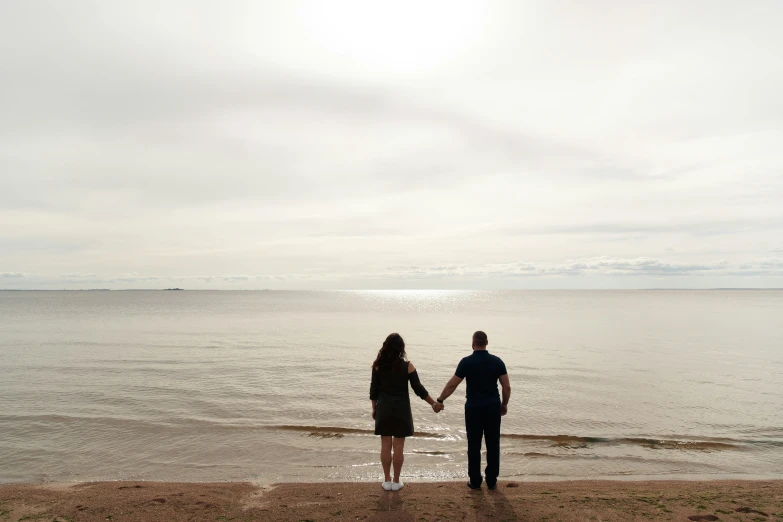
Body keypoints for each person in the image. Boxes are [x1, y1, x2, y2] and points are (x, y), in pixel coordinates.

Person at [436, 331, 510, 490]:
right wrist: (504, 405)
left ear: (473, 343)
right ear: (487, 342)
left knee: (474, 444)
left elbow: (452, 384)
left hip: (474, 408)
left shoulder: (466, 362)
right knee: (493, 443)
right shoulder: (497, 362)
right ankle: (491, 480)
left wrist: (441, 399)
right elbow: (507, 386)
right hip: (492, 407)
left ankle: (475, 481)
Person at [370, 333, 442, 491]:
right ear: (401, 348)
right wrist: (433, 404)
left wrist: (375, 410)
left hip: (384, 409)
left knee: (385, 445)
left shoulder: (377, 366)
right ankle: (396, 481)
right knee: (399, 446)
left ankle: (386, 480)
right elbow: (419, 390)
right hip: (401, 410)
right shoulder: (408, 366)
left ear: (385, 346)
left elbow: (373, 392)